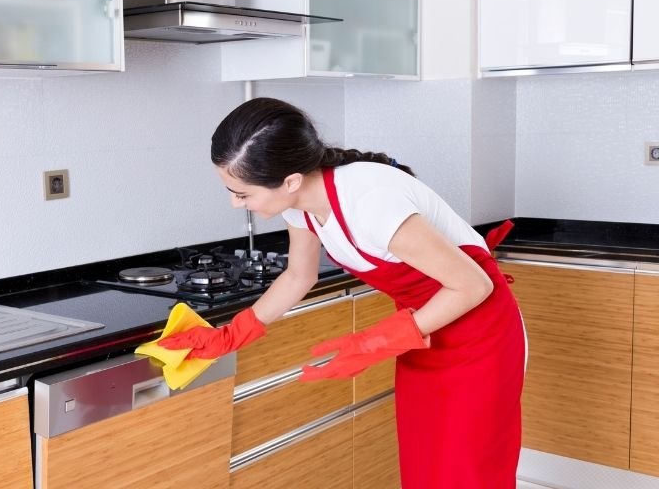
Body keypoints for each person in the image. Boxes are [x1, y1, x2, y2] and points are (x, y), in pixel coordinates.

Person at [159, 97, 526, 489]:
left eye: (242, 193)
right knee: (426, 472)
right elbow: (300, 276)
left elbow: (473, 285)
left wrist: (377, 342)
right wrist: (233, 333)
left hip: (481, 337)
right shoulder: (300, 202)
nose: (235, 203)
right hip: (425, 337)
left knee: (468, 476)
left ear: (290, 180)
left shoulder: (369, 203)